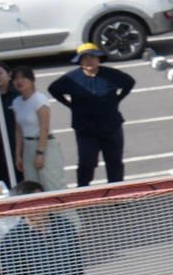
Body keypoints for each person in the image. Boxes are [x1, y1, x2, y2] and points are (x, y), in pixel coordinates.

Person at [48, 45, 134, 185]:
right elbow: (53, 89)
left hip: (111, 127)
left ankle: (118, 196)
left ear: (98, 58)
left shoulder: (111, 74)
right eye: (85, 58)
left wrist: (117, 100)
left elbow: (129, 82)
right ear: (80, 61)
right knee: (87, 164)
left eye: (92, 57)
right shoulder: (72, 78)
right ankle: (84, 193)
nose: (89, 61)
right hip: (85, 129)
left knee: (114, 163)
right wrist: (70, 105)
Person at [4, 65, 54, 190]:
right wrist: (18, 155)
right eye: (16, 78)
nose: (19, 81)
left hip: (45, 144)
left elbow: (45, 129)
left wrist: (39, 153)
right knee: (32, 185)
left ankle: (65, 210)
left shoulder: (39, 99)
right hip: (28, 145)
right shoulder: (17, 102)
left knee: (52, 184)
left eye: (23, 77)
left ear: (32, 80)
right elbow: (18, 130)